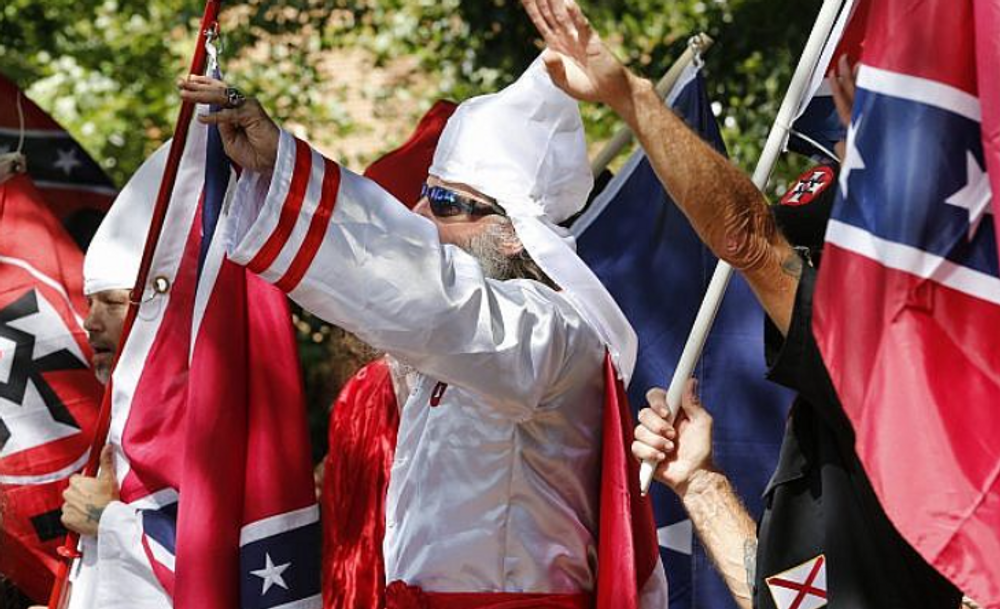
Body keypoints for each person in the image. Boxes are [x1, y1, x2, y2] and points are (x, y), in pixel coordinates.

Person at [518, 1, 963, 608]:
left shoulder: (898, 377)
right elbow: (783, 598)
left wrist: (634, 99)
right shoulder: (836, 429)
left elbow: (749, 240)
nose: (809, 276)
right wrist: (699, 483)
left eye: (820, 253)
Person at [179, 54, 667, 607]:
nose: (417, 211)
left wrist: (290, 173)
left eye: (443, 202)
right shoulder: (468, 339)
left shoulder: (550, 329)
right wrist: (274, 177)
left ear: (511, 234)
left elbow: (433, 301)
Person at [57, 171, 171, 608]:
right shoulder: (121, 413)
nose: (90, 322)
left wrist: (108, 521)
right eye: (90, 303)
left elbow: (219, 562)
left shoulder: (198, 415)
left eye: (113, 302)